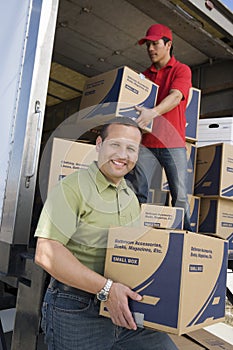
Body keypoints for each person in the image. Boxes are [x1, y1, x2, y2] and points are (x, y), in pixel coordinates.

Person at [34, 117, 178, 350]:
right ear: (99, 145)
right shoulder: (72, 187)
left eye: (131, 148)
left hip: (124, 307)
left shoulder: (130, 197)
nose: (123, 154)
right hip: (77, 309)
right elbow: (46, 252)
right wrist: (107, 289)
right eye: (115, 145)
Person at [130, 23, 193, 231]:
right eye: (148, 44)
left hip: (173, 143)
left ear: (168, 45)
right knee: (137, 191)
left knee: (180, 196)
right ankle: (133, 235)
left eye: (155, 43)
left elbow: (176, 97)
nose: (150, 49)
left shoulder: (181, 70)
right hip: (146, 143)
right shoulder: (143, 77)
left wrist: (152, 113)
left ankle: (184, 238)